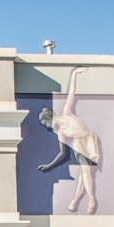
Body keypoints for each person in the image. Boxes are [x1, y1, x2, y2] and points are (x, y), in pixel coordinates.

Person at [36, 67, 100, 214]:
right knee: (85, 169)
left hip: (89, 139)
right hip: (78, 143)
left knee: (84, 173)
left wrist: (73, 74)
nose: (47, 127)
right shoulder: (62, 133)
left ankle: (75, 200)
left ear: (50, 117)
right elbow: (62, 154)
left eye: (46, 123)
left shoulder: (67, 112)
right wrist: (49, 165)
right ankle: (91, 199)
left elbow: (71, 92)